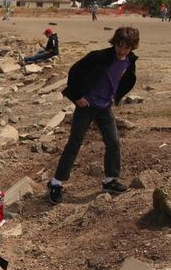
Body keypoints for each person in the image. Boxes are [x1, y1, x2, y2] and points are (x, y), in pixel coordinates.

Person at [47, 27, 140, 204]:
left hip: (105, 106)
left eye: (126, 47)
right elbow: (74, 71)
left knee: (113, 142)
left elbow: (125, 78)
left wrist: (115, 96)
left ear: (132, 47)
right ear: (114, 43)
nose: (122, 50)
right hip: (87, 105)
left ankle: (110, 180)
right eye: (119, 46)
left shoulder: (130, 61)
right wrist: (77, 97)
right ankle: (55, 183)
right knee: (75, 143)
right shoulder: (99, 57)